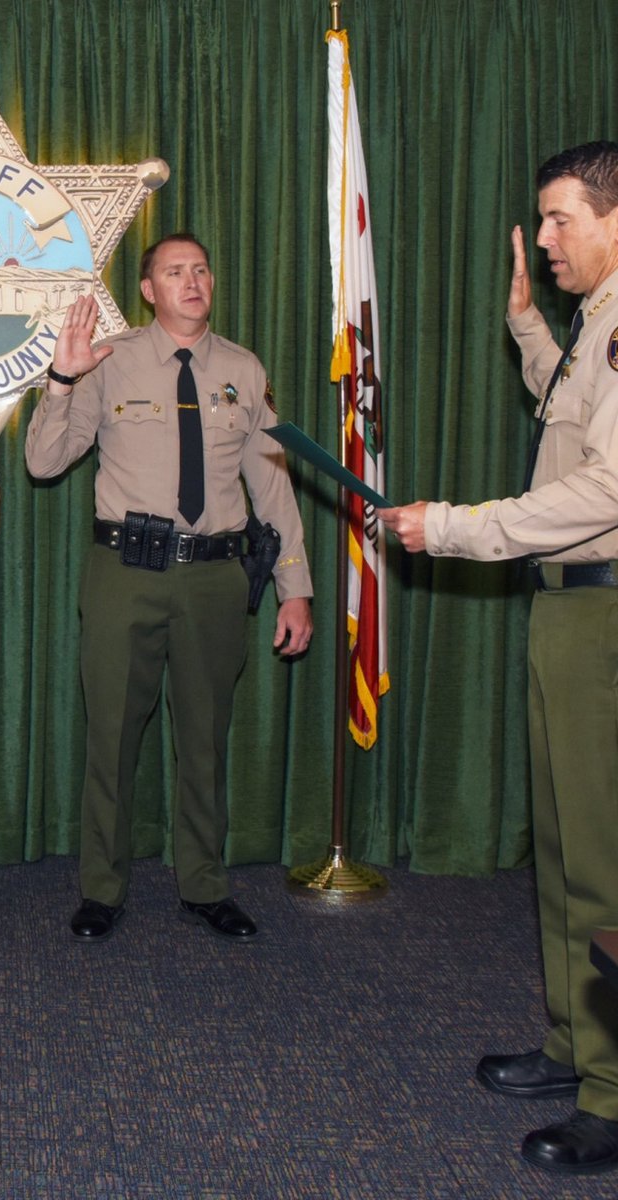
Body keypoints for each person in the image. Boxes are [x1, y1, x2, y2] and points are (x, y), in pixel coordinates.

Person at [380, 141, 618, 1176]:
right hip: (566, 613)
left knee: (606, 867)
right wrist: (530, 325)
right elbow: (566, 415)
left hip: (605, 616)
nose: (548, 239)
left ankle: (613, 1096)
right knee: (566, 856)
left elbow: (605, 488)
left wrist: (459, 526)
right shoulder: (597, 329)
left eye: (564, 218)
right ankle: (581, 1047)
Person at [24, 233, 313, 945]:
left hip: (215, 575)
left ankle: (205, 885)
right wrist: (61, 381)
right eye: (174, 272)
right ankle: (101, 889)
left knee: (206, 738)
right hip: (127, 571)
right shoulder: (108, 361)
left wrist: (296, 586)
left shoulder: (243, 370)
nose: (193, 281)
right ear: (148, 290)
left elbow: (272, 485)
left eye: (202, 270)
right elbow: (42, 462)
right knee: (113, 737)